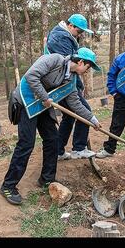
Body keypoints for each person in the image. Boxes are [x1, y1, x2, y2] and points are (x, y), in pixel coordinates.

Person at [0, 48, 101, 205]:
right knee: (26, 143)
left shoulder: (72, 79)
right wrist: (45, 96)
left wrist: (92, 119)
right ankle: (8, 186)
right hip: (26, 101)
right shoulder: (54, 59)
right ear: (80, 62)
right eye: (88, 68)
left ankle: (47, 179)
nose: (87, 72)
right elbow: (31, 76)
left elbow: (75, 103)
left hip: (42, 105)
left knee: (52, 139)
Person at [45, 13, 96, 160]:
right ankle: (79, 148)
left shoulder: (64, 36)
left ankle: (58, 151)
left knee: (68, 117)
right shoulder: (60, 37)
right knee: (84, 110)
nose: (79, 34)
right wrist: (78, 84)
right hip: (65, 84)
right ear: (70, 25)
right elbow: (70, 64)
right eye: (79, 31)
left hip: (65, 82)